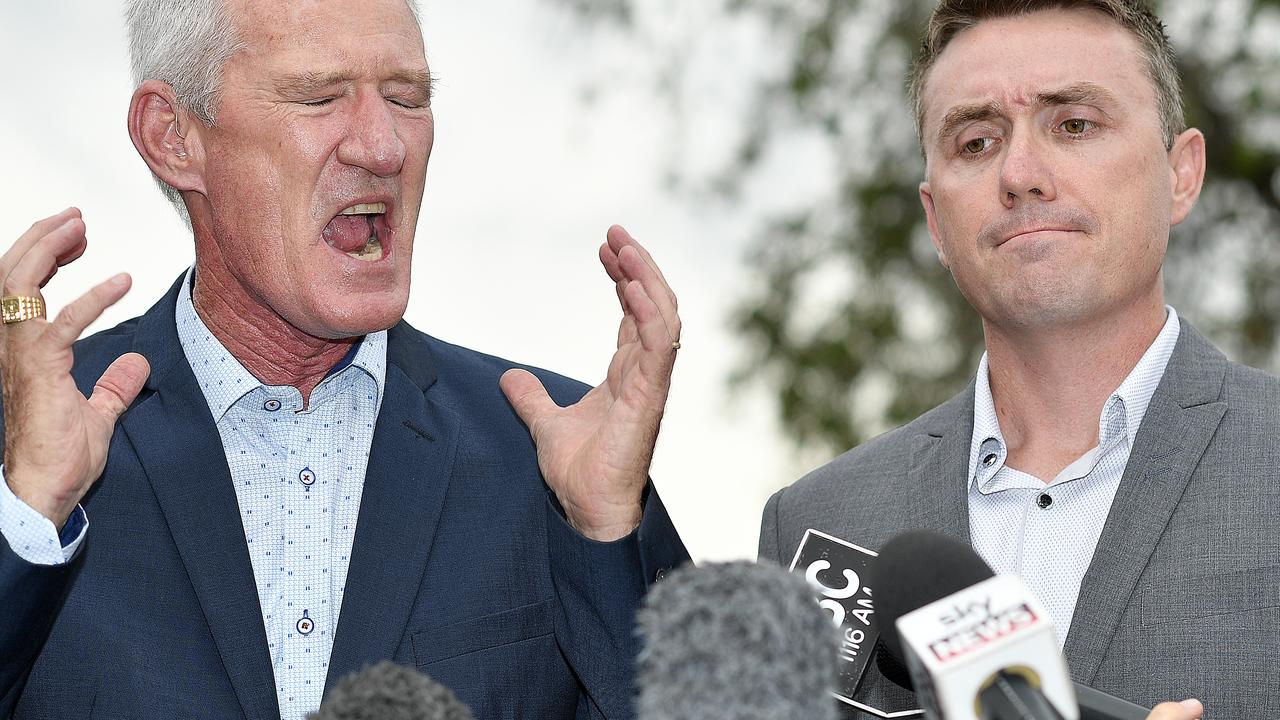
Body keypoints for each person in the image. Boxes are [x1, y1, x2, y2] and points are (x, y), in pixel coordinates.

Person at [0, 1, 689, 718]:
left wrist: (607, 536)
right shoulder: (23, 446)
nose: (382, 146)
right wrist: (25, 522)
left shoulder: (553, 452)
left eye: (407, 97)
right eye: (319, 97)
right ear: (173, 136)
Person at [759, 1, 1279, 718]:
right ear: (937, 221)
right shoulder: (816, 521)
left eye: (1074, 125)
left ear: (1182, 175)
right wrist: (605, 524)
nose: (1022, 174)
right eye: (976, 142)